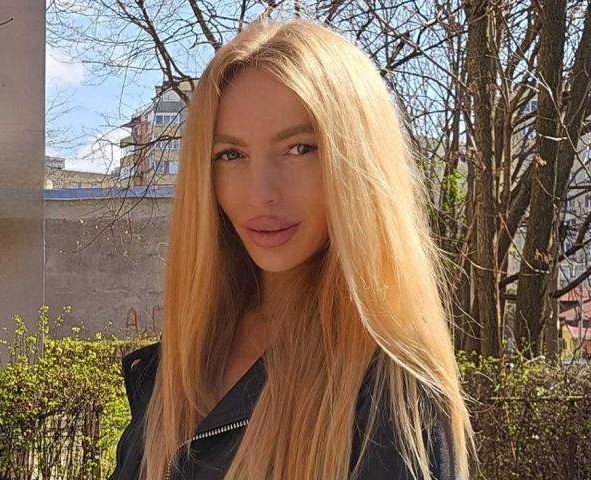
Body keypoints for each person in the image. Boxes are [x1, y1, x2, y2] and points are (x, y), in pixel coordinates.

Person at [110, 17, 477, 480]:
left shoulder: (390, 390)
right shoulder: (184, 359)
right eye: (230, 155)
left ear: (357, 161)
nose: (260, 193)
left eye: (300, 148)